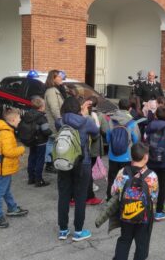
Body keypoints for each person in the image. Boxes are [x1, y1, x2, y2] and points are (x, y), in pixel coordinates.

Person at [57, 97, 99, 241]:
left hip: (64, 161)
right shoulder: (86, 121)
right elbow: (96, 133)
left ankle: (63, 230)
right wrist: (84, 114)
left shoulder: (59, 121)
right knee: (80, 197)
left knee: (63, 196)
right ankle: (79, 231)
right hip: (83, 162)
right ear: (78, 107)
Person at [111, 143, 159, 260]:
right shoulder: (152, 176)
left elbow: (113, 191)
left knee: (124, 240)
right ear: (146, 157)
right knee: (142, 244)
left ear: (131, 156)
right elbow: (154, 196)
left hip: (126, 213)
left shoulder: (123, 172)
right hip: (144, 217)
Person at [0, 108, 28, 228]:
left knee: (5, 188)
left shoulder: (6, 130)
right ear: (12, 119)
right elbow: (8, 151)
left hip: (5, 165)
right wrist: (21, 149)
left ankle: (12, 207)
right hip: (4, 166)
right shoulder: (5, 133)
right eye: (19, 118)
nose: (20, 120)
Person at [106, 99, 142, 201]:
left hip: (112, 156)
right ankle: (124, 198)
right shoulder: (132, 122)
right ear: (130, 108)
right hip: (127, 157)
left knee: (112, 178)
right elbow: (136, 140)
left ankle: (110, 196)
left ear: (118, 107)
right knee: (126, 178)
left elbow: (108, 139)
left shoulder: (111, 121)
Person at [23, 97, 52, 187]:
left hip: (31, 140)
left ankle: (31, 178)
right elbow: (45, 130)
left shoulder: (27, 114)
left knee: (31, 157)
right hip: (41, 141)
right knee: (40, 160)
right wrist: (51, 132)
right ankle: (39, 180)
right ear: (41, 106)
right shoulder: (41, 117)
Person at [86, 96, 109, 206]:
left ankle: (87, 185)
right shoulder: (100, 115)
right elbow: (105, 130)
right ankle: (89, 186)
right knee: (90, 166)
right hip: (94, 147)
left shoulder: (83, 114)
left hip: (84, 145)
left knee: (86, 166)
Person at [44, 69, 67, 173]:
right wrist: (60, 120)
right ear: (53, 79)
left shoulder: (56, 90)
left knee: (52, 142)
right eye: (59, 76)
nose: (61, 78)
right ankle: (49, 164)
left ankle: (50, 162)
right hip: (54, 123)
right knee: (51, 142)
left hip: (56, 122)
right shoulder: (51, 91)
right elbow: (54, 108)